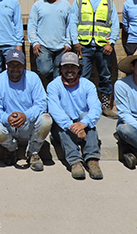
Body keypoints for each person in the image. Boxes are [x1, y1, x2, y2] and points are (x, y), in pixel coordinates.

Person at [0, 50, 52, 171]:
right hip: (9, 125)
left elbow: (41, 104)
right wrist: (7, 118)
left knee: (46, 120)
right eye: (12, 65)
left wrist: (25, 116)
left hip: (29, 124)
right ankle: (11, 149)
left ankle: (33, 152)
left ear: (24, 65)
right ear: (6, 65)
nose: (15, 68)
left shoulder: (33, 78)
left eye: (18, 65)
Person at [47, 52, 103, 180]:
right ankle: (75, 161)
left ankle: (92, 160)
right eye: (66, 66)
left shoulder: (88, 85)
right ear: (60, 68)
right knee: (62, 122)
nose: (69, 70)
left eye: (73, 67)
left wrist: (83, 124)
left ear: (79, 68)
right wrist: (73, 126)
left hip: (81, 126)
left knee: (88, 117)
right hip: (64, 128)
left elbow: (95, 108)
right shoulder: (54, 86)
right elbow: (55, 111)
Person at [70, 0, 120, 118]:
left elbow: (115, 24)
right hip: (84, 46)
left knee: (105, 76)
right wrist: (75, 42)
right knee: (83, 76)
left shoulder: (108, 2)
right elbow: (73, 22)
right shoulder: (79, 1)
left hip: (103, 47)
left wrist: (111, 43)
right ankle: (83, 106)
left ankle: (105, 106)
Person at [27, 0, 72, 83]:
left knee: (59, 74)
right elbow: (32, 25)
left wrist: (68, 43)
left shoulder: (66, 5)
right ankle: (53, 84)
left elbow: (70, 26)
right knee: (44, 71)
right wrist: (35, 43)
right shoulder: (38, 6)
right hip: (43, 46)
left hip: (61, 46)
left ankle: (53, 94)